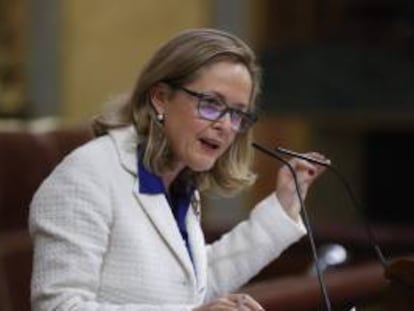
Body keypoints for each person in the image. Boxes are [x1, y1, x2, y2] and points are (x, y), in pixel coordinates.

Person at [29, 28, 328, 311]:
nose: (225, 125)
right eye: (211, 103)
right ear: (160, 98)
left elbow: (187, 285)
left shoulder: (178, 181)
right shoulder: (86, 176)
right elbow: (58, 306)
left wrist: (285, 203)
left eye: (237, 113)